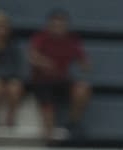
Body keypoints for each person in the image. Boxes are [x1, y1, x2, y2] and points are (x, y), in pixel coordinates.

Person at [26, 8, 91, 140]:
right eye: (55, 24)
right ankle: (49, 140)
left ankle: (73, 122)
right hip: (42, 81)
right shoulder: (41, 38)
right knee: (48, 116)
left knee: (82, 89)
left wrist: (84, 64)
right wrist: (43, 62)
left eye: (61, 24)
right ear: (49, 25)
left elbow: (84, 62)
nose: (58, 27)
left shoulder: (72, 41)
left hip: (62, 81)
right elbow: (32, 56)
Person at [0, 10, 25, 129]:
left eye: (4, 26)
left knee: (15, 87)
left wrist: (9, 78)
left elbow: (16, 66)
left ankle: (11, 118)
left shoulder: (13, 44)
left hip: (8, 77)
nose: (2, 29)